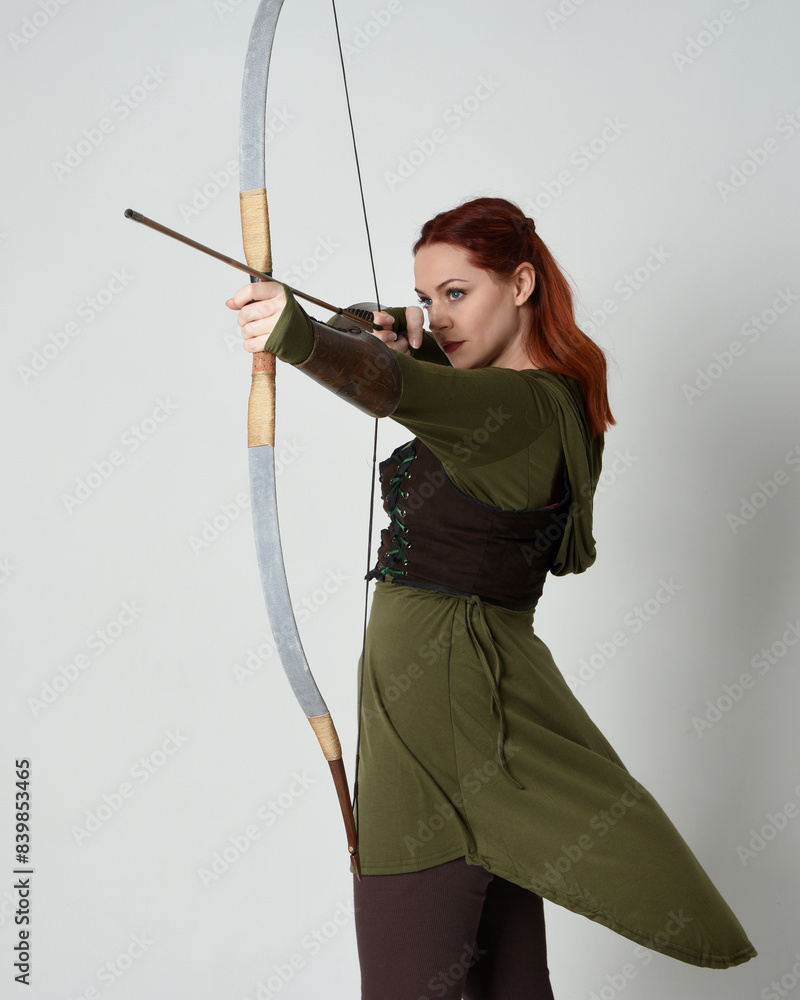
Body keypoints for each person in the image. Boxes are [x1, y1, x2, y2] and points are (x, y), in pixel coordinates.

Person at [226, 197, 756, 998]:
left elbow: (398, 390)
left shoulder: (525, 410)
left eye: (458, 293)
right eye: (428, 295)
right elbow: (440, 389)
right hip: (463, 708)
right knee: (503, 983)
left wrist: (299, 336)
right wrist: (412, 329)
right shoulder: (533, 402)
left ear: (521, 283)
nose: (439, 316)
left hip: (445, 725)